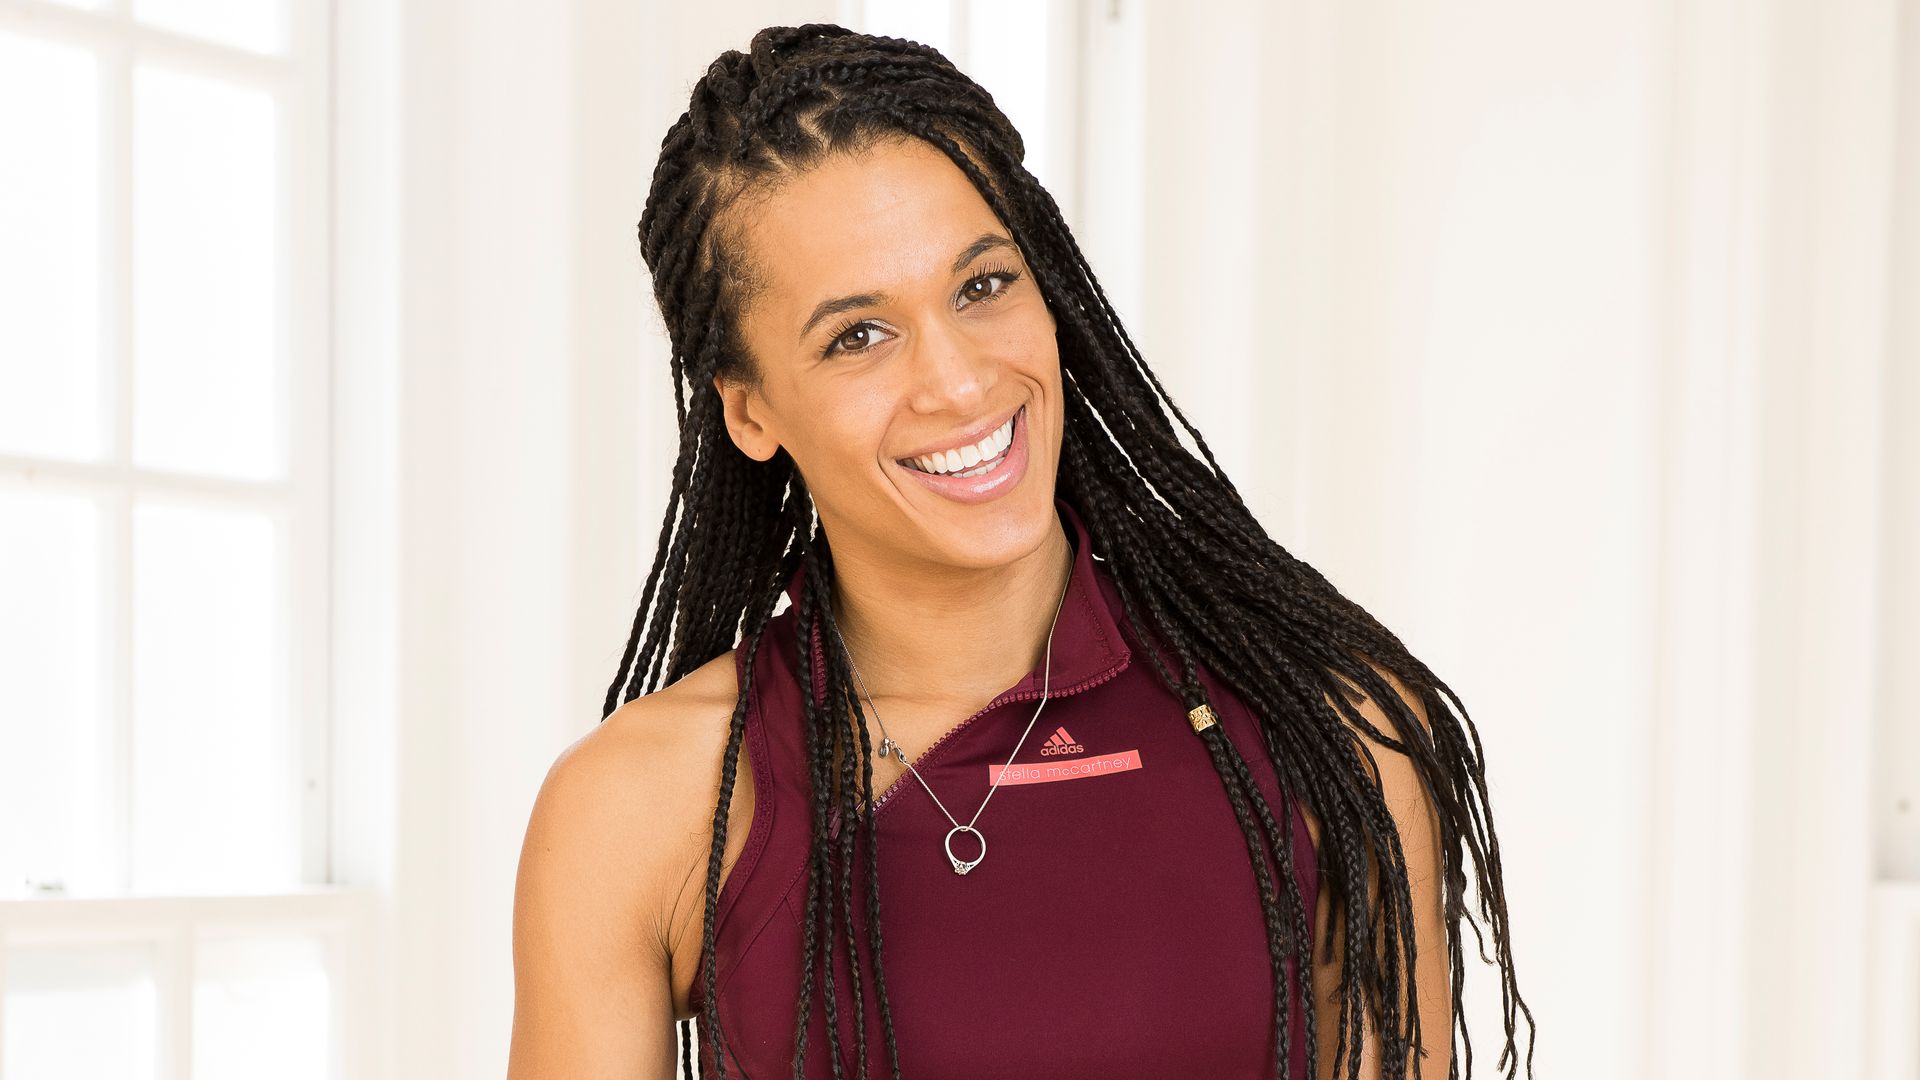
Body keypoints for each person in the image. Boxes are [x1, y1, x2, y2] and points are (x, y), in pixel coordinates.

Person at [508, 23, 1535, 1080]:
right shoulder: (642, 809)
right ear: (752, 409)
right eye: (857, 335)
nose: (957, 382)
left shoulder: (1333, 736)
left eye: (983, 285)